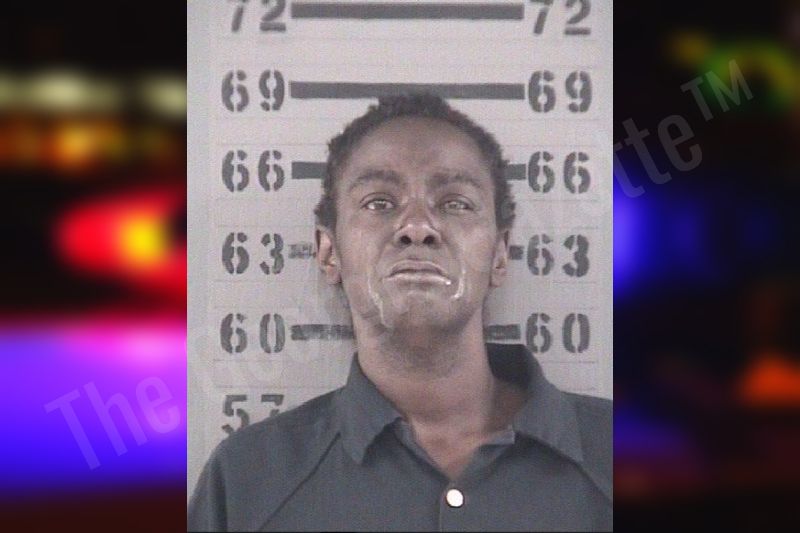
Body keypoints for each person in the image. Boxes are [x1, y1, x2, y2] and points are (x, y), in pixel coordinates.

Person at [188, 93, 612, 531]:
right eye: (379, 202)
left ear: (500, 255)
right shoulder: (247, 481)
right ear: (329, 252)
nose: (417, 227)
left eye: (455, 203)